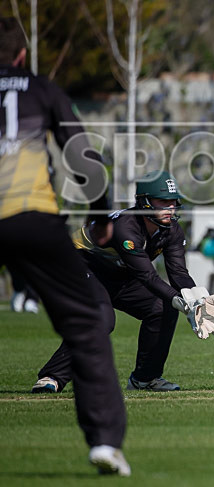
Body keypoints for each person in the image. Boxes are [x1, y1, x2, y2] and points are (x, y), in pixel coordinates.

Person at [0, 17, 130, 475]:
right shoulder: (41, 88)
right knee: (89, 321)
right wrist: (101, 217)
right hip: (30, 215)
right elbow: (81, 156)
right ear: (21, 54)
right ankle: (105, 443)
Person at [33, 170, 214, 394]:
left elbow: (178, 272)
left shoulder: (172, 230)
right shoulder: (125, 228)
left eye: (173, 202)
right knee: (102, 319)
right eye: (163, 202)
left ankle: (145, 379)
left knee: (161, 309)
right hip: (82, 266)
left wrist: (198, 297)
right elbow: (147, 276)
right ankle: (52, 377)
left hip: (119, 274)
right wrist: (179, 300)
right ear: (144, 202)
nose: (170, 208)